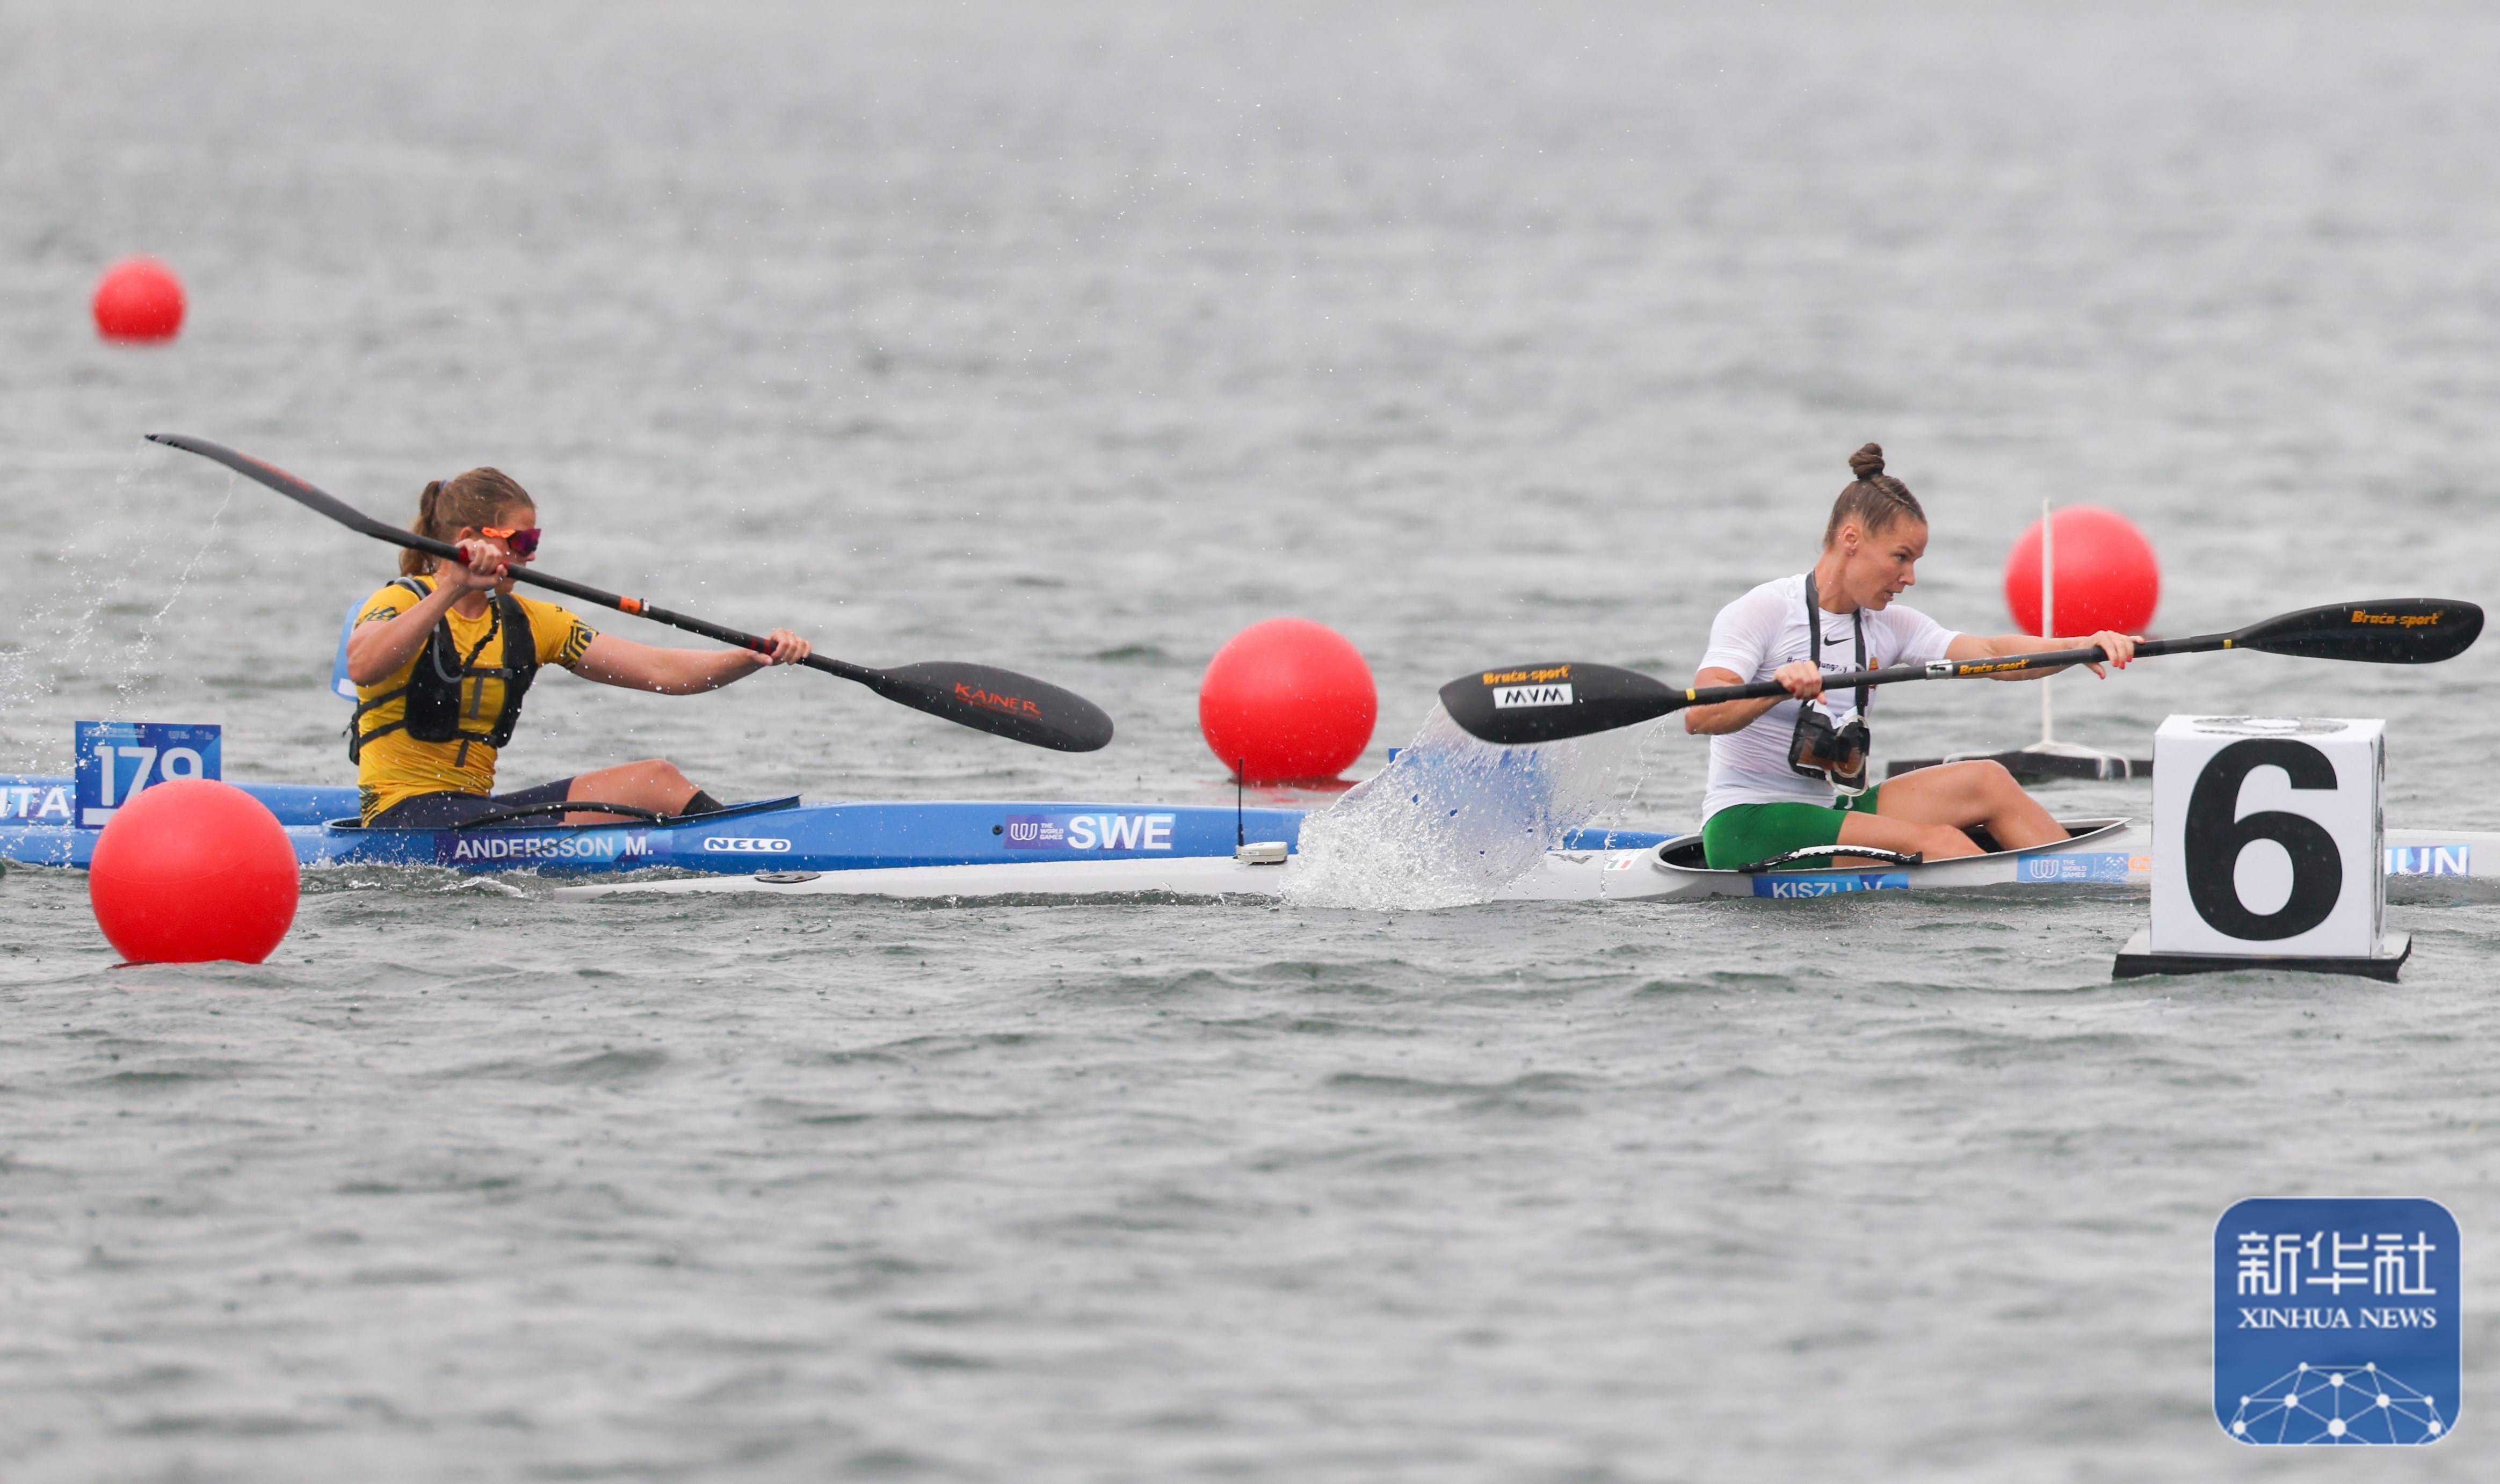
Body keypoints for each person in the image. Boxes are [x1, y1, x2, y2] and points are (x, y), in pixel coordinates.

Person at [1683, 443, 2138, 870]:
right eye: (1900, 557)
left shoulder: (1888, 625)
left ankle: (2089, 881)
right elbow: (1699, 715)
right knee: (1942, 844)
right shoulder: (1764, 611)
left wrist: (2081, 646)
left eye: (1915, 561)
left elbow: (1992, 654)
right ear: (1850, 538)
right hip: (1749, 822)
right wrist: (1775, 691)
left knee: (1988, 780)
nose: (1910, 577)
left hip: (1830, 806)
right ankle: (2056, 886)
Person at [344, 467, 810, 827]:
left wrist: (751, 657)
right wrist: (451, 587)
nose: (531, 555)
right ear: (468, 542)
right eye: (520, 541)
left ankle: (751, 846)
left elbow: (662, 671)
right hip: (401, 816)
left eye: (534, 540)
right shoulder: (400, 601)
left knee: (657, 779)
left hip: (474, 811)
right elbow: (362, 665)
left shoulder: (531, 621)